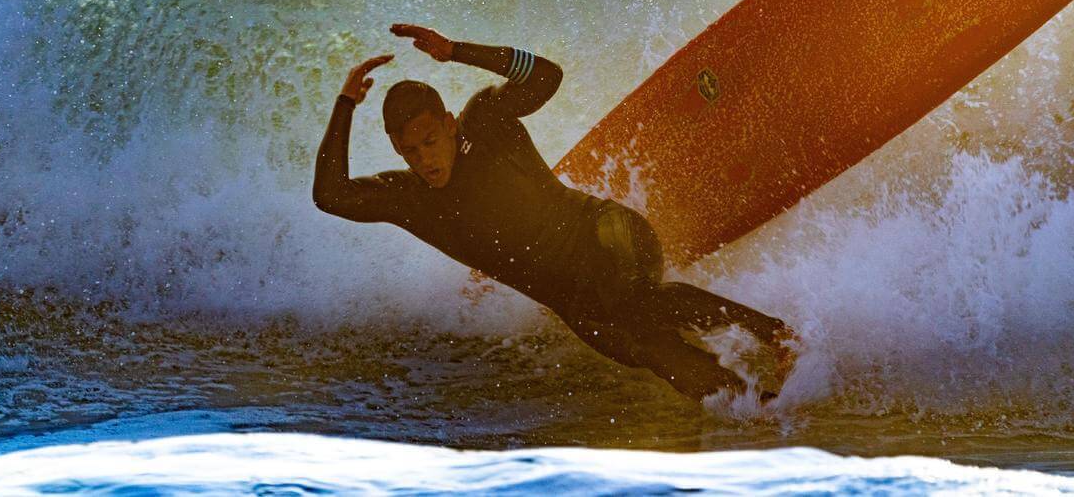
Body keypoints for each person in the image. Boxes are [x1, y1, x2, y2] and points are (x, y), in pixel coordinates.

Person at [312, 23, 794, 401]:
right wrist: (345, 103)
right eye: (409, 151)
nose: (425, 159)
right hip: (579, 303)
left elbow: (546, 76)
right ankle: (754, 405)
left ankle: (778, 337)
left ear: (449, 123)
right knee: (643, 347)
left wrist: (456, 50)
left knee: (633, 301)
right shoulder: (409, 198)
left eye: (431, 142)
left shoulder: (486, 122)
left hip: (609, 233)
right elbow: (329, 195)